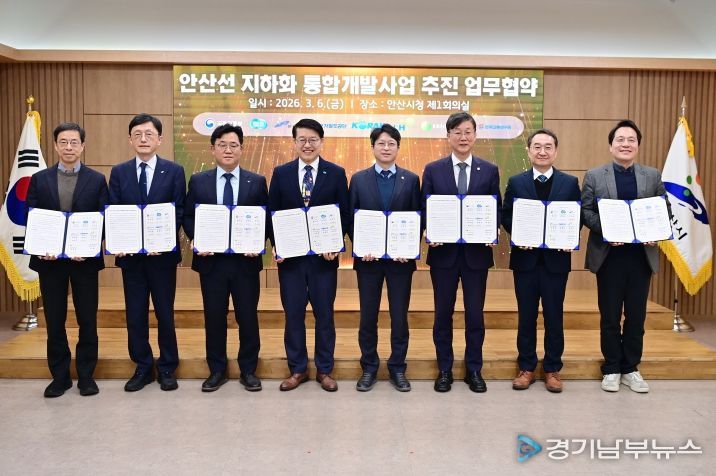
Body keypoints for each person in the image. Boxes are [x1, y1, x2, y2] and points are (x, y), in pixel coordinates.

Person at [582, 119, 670, 394]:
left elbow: (664, 210)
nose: (625, 144)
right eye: (620, 139)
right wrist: (607, 230)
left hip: (640, 257)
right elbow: (586, 212)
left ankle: (631, 368)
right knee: (609, 316)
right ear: (611, 146)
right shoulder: (595, 175)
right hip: (609, 257)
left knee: (636, 316)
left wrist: (656, 231)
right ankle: (611, 368)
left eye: (631, 140)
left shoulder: (652, 176)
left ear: (638, 145)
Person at [421, 111, 502, 393]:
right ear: (448, 136)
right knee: (442, 314)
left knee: (475, 316)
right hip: (443, 255)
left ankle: (474, 369)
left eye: (468, 132)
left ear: (475, 135)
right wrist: (428, 230)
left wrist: (493, 230)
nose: (463, 137)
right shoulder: (433, 169)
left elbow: (495, 207)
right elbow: (425, 208)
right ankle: (444, 369)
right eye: (457, 132)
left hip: (476, 256)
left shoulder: (489, 170)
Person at [26, 122, 108, 397]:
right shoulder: (40, 179)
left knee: (87, 319)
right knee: (55, 320)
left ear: (82, 146)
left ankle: (86, 376)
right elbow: (31, 217)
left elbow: (103, 219)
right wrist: (41, 246)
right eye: (63, 142)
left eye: (74, 142)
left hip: (84, 261)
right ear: (55, 145)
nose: (69, 147)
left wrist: (89, 246)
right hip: (50, 262)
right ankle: (59, 377)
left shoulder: (97, 180)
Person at [184, 124, 267, 392]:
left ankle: (248, 370)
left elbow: (265, 218)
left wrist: (258, 241)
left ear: (242, 149)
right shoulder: (199, 181)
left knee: (248, 317)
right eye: (222, 145)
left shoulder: (257, 181)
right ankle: (216, 370)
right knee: (214, 317)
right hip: (212, 263)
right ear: (213, 149)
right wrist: (197, 238)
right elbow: (188, 216)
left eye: (233, 145)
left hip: (245, 263)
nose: (228, 150)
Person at [268, 118, 349, 392]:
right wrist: (277, 245)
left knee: (324, 315)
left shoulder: (335, 173)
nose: (307, 144)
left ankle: (324, 370)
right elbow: (272, 214)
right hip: (291, 261)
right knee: (293, 315)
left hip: (323, 261)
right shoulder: (281, 173)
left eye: (313, 139)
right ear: (294, 142)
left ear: (321, 142)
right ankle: (298, 369)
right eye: (302, 139)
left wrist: (335, 243)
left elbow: (344, 214)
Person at [108, 113, 186, 392]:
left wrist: (160, 241)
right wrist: (121, 240)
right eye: (137, 134)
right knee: (135, 314)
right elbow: (115, 210)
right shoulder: (119, 172)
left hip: (162, 258)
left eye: (149, 134)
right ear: (130, 140)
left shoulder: (174, 171)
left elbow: (179, 210)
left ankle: (167, 367)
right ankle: (142, 366)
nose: (143, 139)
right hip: (131, 259)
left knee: (165, 312)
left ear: (159, 139)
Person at [502, 129, 581, 393]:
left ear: (555, 151)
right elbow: (506, 215)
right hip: (525, 259)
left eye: (548, 147)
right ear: (528, 151)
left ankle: (552, 369)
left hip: (556, 261)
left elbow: (577, 216)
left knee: (554, 316)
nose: (542, 151)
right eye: (537, 146)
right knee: (526, 316)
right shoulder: (516, 182)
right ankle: (526, 367)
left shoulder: (569, 183)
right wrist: (519, 234)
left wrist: (567, 236)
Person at [348, 124, 421, 392]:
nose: (386, 148)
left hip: (400, 263)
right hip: (369, 262)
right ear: (373, 147)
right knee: (368, 316)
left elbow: (417, 218)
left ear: (398, 148)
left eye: (391, 143)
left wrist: (408, 248)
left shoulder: (411, 179)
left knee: (399, 316)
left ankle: (397, 367)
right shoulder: (358, 179)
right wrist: (361, 245)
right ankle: (369, 367)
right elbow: (351, 218)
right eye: (381, 143)